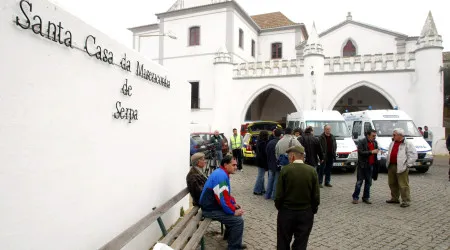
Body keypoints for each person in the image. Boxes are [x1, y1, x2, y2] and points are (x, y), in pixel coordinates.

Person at [275, 146, 320, 250]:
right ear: (302, 156)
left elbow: (279, 195)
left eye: (289, 156)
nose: (288, 158)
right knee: (301, 242)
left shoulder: (285, 170)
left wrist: (280, 208)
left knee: (283, 241)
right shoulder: (311, 171)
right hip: (305, 213)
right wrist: (313, 210)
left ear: (293, 156)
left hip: (286, 212)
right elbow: (316, 196)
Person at [199, 155, 246, 249]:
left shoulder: (221, 173)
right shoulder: (221, 176)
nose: (236, 167)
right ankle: (234, 247)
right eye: (233, 165)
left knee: (236, 212)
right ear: (225, 165)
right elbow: (223, 200)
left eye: (236, 165)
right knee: (238, 221)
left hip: (212, 205)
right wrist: (233, 211)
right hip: (209, 209)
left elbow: (224, 195)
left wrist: (233, 204)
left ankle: (231, 239)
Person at [385, 128, 417, 208]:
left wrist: (407, 164)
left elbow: (413, 155)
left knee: (403, 184)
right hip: (391, 165)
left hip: (402, 166)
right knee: (392, 183)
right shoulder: (392, 143)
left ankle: (406, 200)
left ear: (400, 135)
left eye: (394, 135)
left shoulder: (407, 143)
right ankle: (395, 198)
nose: (393, 136)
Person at [352, 129, 379, 204]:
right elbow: (360, 152)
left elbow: (375, 153)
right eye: (373, 136)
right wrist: (371, 152)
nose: (374, 137)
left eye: (375, 136)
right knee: (359, 182)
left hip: (371, 165)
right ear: (368, 135)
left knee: (369, 182)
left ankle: (366, 197)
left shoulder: (375, 143)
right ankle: (355, 197)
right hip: (362, 165)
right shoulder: (362, 141)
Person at [265, 128, 282, 200]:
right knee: (276, 181)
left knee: (270, 180)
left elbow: (267, 153)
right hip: (277, 164)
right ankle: (274, 196)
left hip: (271, 164)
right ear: (280, 135)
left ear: (274, 134)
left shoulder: (270, 142)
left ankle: (267, 195)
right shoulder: (280, 143)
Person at [253, 130, 269, 195]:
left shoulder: (259, 141)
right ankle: (256, 190)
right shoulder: (263, 143)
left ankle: (262, 189)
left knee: (261, 176)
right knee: (260, 176)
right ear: (265, 136)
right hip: (262, 161)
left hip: (259, 161)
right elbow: (264, 154)